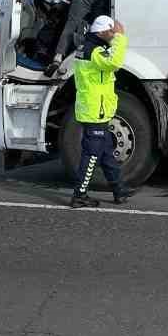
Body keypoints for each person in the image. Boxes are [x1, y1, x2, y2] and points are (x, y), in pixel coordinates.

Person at [69, 16, 134, 209]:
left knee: (106, 154)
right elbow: (114, 63)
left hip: (97, 109)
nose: (113, 34)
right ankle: (79, 195)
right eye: (111, 32)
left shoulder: (88, 47)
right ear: (101, 32)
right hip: (94, 110)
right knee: (92, 154)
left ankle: (118, 190)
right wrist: (121, 39)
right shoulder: (93, 51)